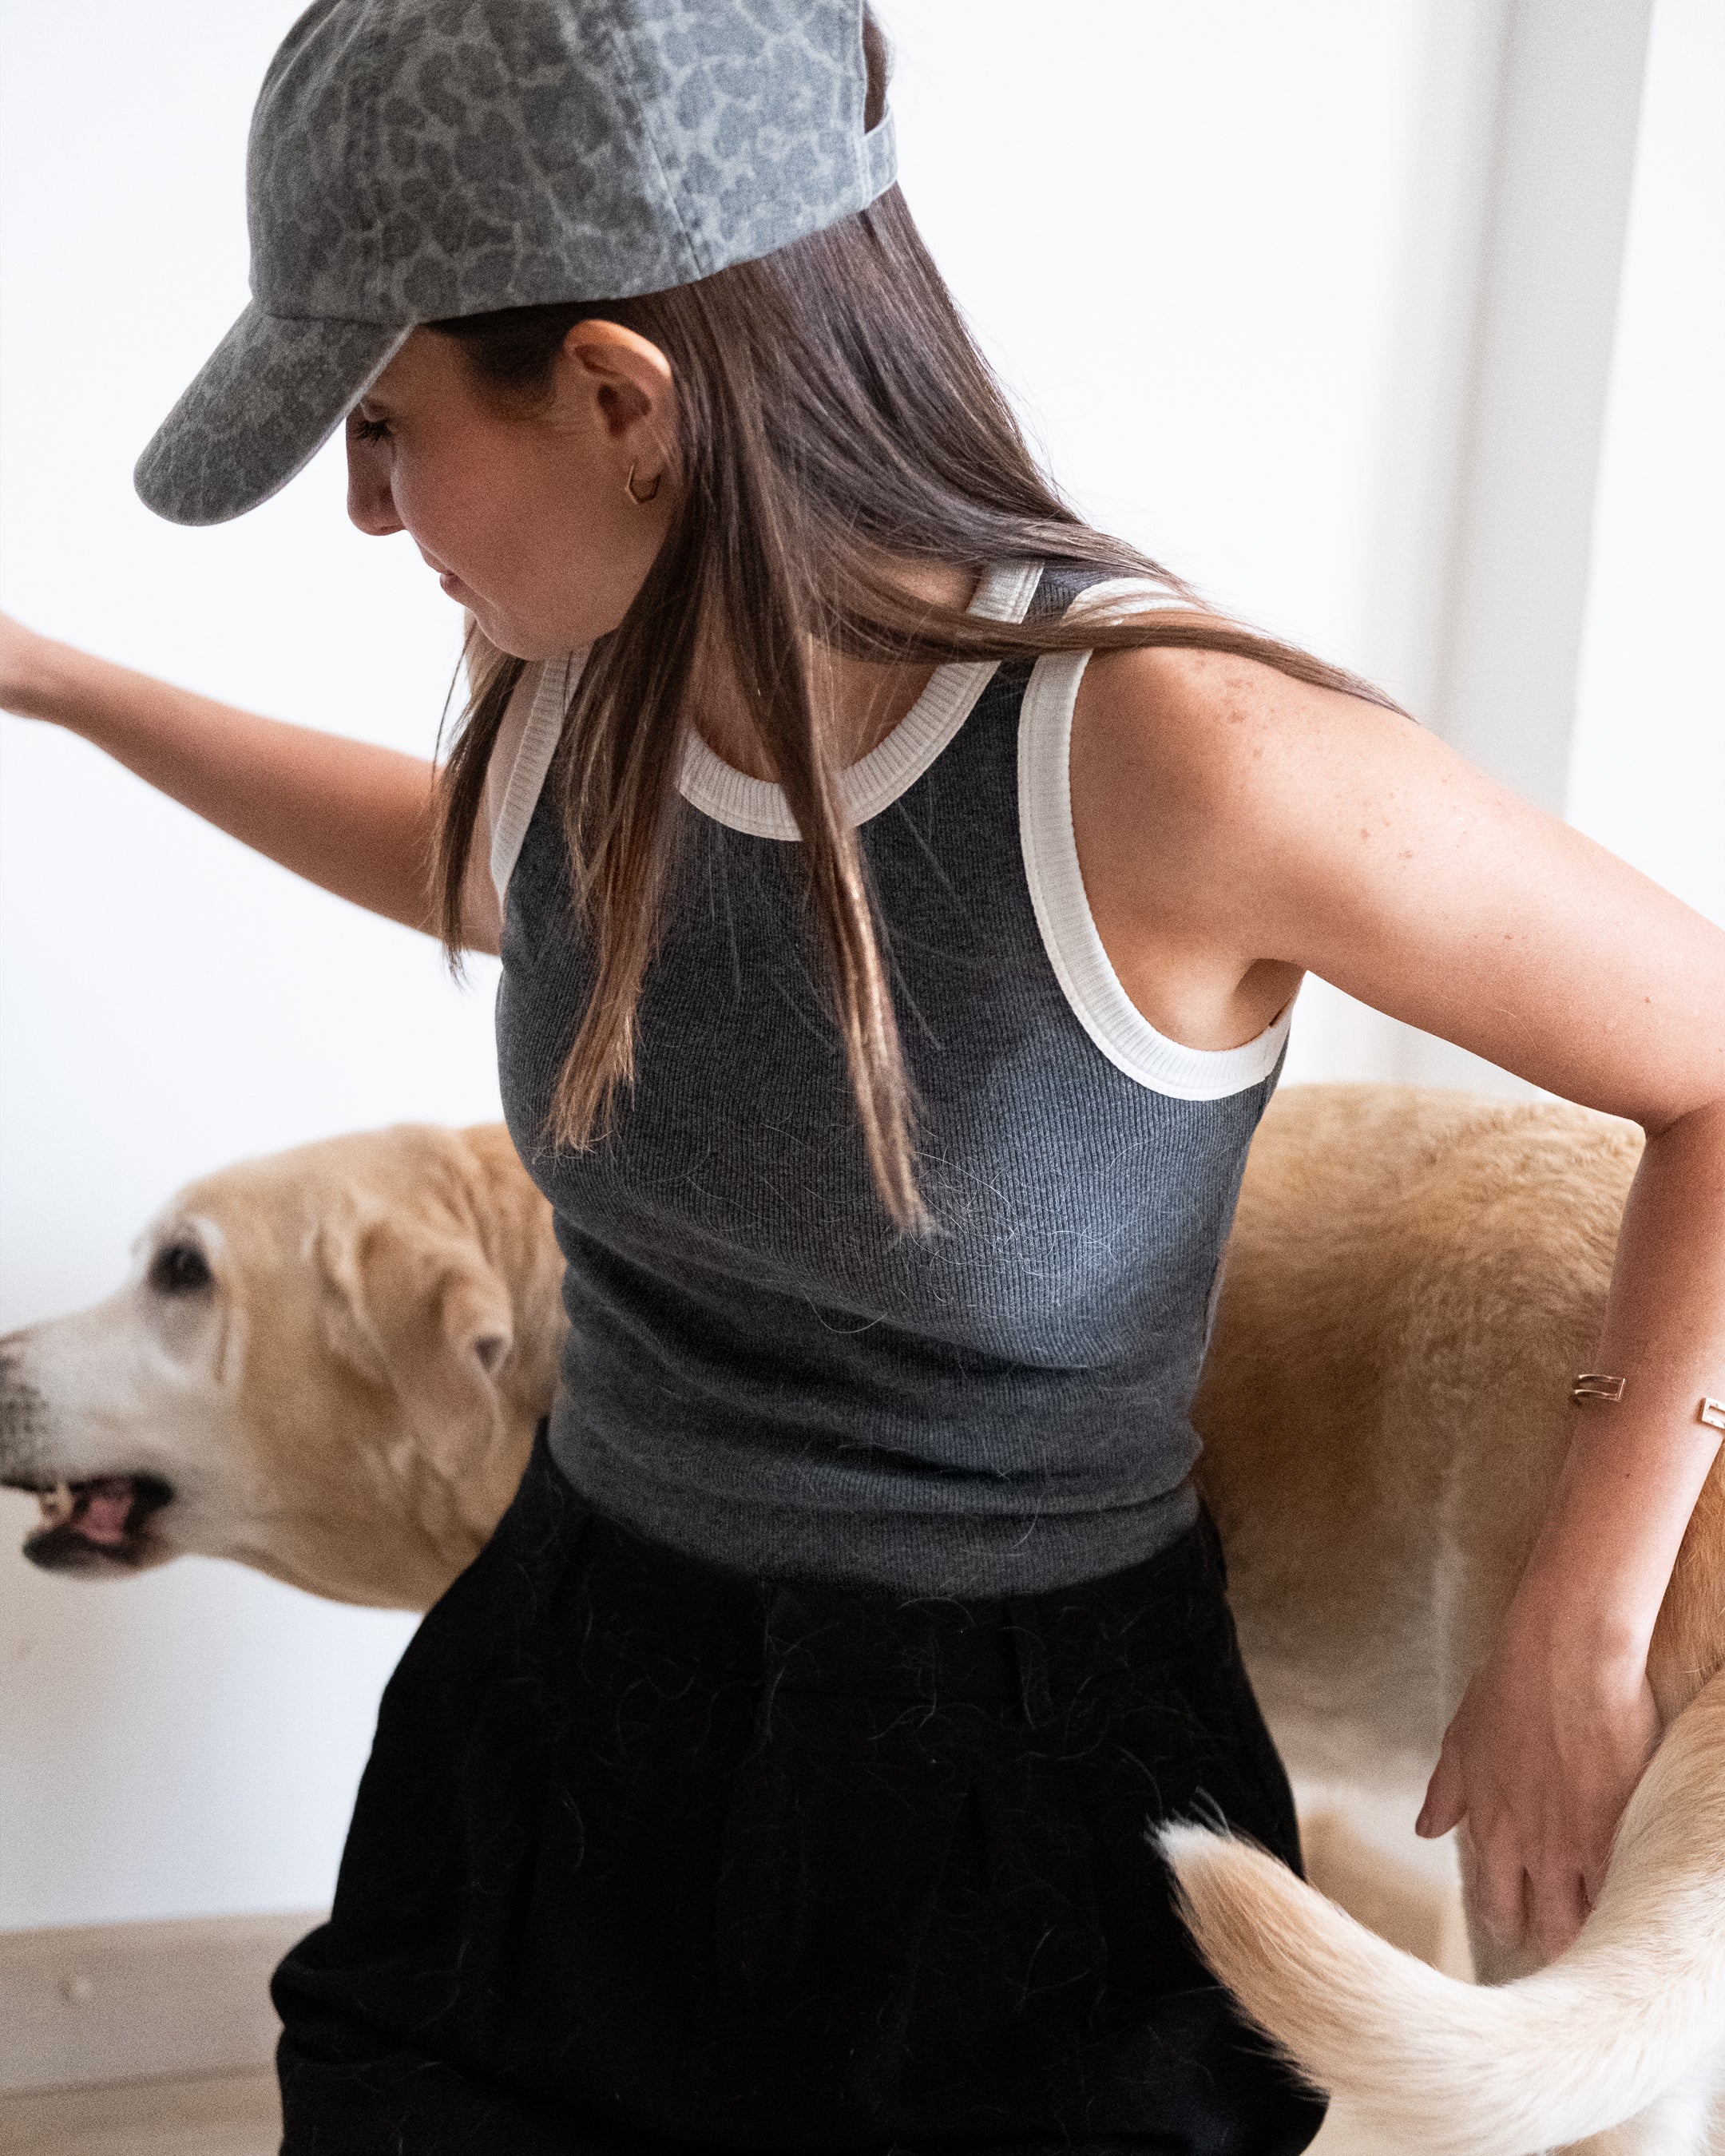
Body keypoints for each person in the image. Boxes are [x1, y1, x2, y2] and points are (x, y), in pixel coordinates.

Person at [2, 1, 1721, 2149]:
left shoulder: (1176, 762)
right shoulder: (576, 683)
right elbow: (501, 874)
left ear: (623, 396)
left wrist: (1587, 1596)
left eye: (383, 422)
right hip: (571, 1697)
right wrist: (53, 681)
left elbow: (1717, 1070)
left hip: (1009, 1804)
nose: (367, 508)